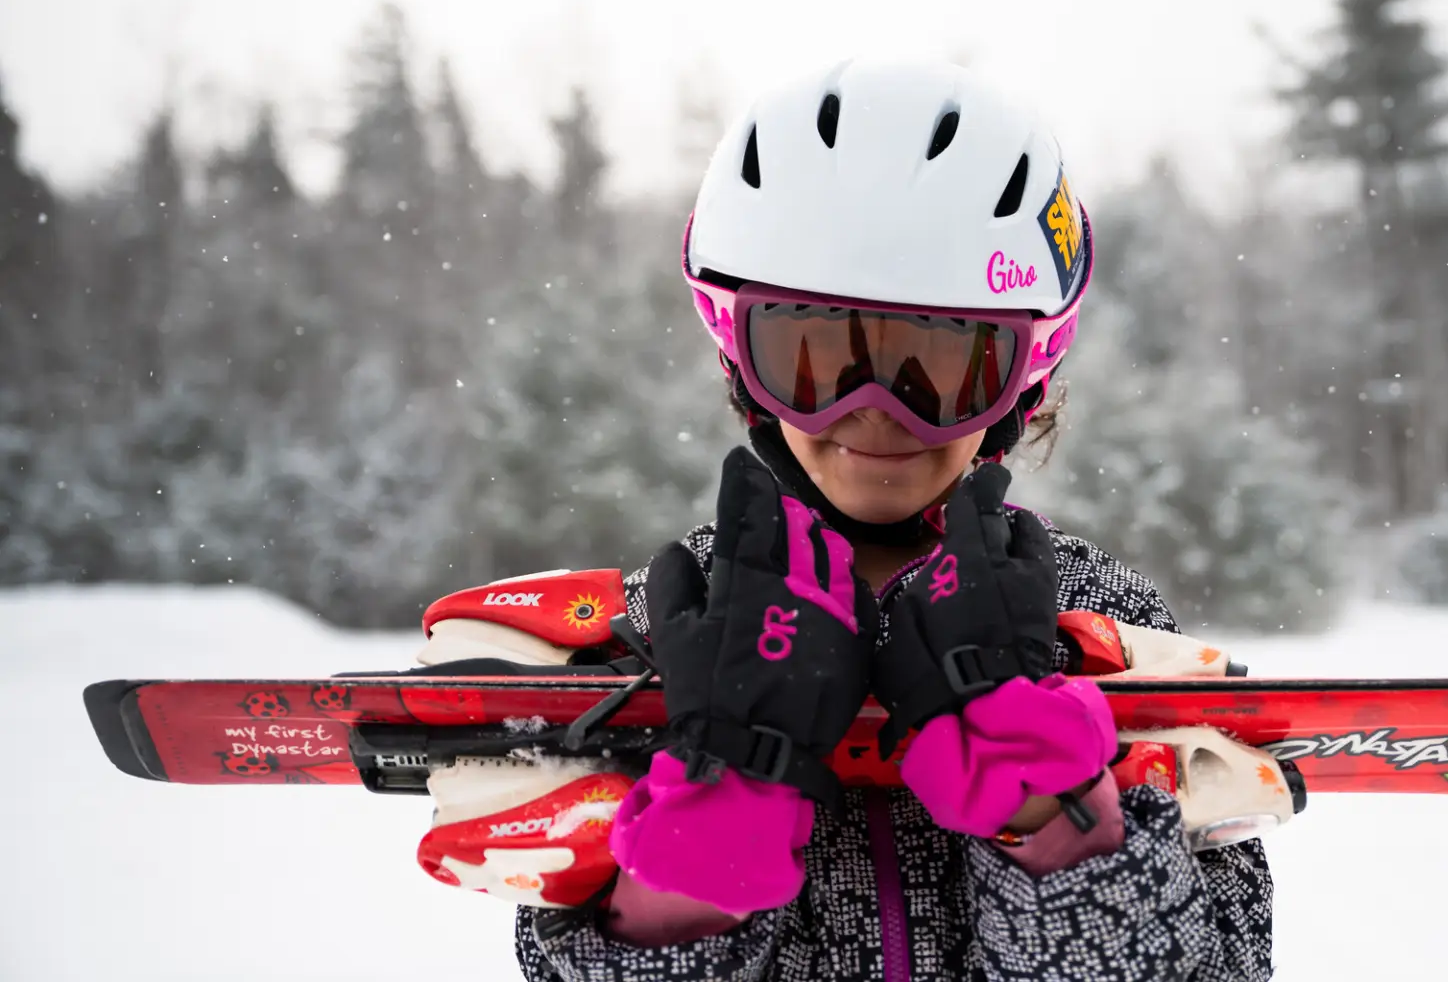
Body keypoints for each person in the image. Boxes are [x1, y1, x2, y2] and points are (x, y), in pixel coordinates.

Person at [422, 58, 1276, 981]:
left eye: (938, 368)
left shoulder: (1097, 613)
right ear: (740, 360)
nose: (875, 414)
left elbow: (1227, 960)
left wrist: (1047, 802)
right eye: (817, 359)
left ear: (1024, 375)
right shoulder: (672, 627)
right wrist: (715, 818)